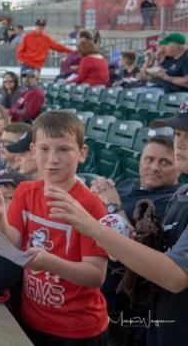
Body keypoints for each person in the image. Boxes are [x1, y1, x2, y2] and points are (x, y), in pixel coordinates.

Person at [46, 103, 188, 345]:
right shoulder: (182, 193)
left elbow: (176, 276)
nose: (181, 143)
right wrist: (122, 242)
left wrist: (92, 226)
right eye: (178, 134)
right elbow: (156, 257)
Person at [0, 111, 109, 344]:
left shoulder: (91, 205)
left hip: (77, 330)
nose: (53, 159)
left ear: (82, 153)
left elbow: (95, 275)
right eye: (44, 149)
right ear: (32, 150)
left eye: (63, 149)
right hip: (31, 317)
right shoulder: (25, 191)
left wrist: (50, 262)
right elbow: (11, 243)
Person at [90, 135, 180, 223]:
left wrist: (114, 206)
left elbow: (136, 237)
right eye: (149, 159)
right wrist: (97, 191)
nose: (154, 167)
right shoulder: (131, 182)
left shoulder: (173, 202)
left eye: (164, 162)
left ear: (179, 169)